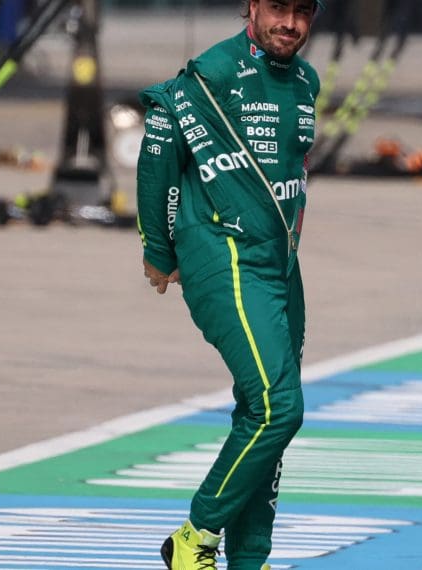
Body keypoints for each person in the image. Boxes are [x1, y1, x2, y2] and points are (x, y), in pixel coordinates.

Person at [134, 1, 322, 569]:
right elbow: (158, 142)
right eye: (278, 8)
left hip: (280, 263)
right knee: (278, 408)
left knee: (261, 412)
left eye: (303, 11)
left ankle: (250, 559)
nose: (290, 23)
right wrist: (158, 247)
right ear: (252, 6)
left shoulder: (306, 81)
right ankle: (194, 538)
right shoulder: (214, 71)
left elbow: (293, 168)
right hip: (225, 254)